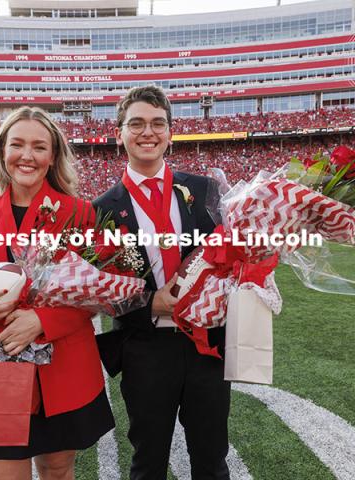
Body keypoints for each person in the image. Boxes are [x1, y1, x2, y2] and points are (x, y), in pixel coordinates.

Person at [0, 106, 114, 480]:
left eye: (39, 146)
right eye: (17, 144)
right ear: (3, 151)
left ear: (52, 157)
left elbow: (98, 294)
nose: (27, 155)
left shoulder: (80, 213)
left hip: (62, 368)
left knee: (57, 469)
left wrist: (42, 320)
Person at [93, 85, 230, 480]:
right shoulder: (100, 210)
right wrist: (150, 302)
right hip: (145, 349)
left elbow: (234, 255)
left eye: (157, 123)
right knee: (148, 462)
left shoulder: (207, 190)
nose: (147, 132)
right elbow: (97, 289)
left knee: (211, 461)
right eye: (136, 123)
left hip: (208, 347)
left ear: (171, 132)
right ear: (119, 132)